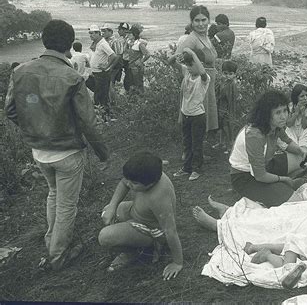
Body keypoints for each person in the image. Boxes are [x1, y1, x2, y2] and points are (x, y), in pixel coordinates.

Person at [5, 19, 109, 270]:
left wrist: (35, 128)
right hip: (67, 152)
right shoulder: (72, 76)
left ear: (44, 41)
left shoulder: (20, 71)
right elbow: (88, 123)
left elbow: (10, 110)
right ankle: (58, 256)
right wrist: (103, 154)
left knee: (53, 195)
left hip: (39, 152)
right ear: (68, 46)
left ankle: (52, 243)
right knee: (66, 204)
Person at [98, 151, 183, 280]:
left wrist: (177, 263)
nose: (129, 185)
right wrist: (112, 206)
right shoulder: (147, 174)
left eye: (134, 184)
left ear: (151, 184)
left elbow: (170, 231)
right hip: (137, 211)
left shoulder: (158, 197)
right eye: (130, 181)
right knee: (106, 211)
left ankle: (138, 251)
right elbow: (123, 183)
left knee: (105, 237)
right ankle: (132, 241)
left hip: (150, 229)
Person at [228, 90, 307, 207]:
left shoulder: (275, 125)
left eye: (285, 111)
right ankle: (236, 208)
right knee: (296, 202)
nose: (283, 117)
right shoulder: (254, 135)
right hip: (245, 177)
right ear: (267, 114)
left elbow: (287, 141)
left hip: (265, 165)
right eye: (278, 113)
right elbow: (260, 175)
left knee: (303, 160)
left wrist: (301, 151)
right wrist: (282, 179)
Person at [169, 48, 210, 181]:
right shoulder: (186, 72)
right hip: (186, 114)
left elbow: (202, 71)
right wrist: (179, 53)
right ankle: (186, 168)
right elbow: (170, 62)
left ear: (198, 64)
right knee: (187, 143)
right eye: (188, 65)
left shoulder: (204, 78)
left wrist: (192, 54)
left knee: (196, 144)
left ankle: (196, 169)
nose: (189, 68)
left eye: (192, 65)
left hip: (198, 116)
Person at [177, 5, 219, 132]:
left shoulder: (205, 37)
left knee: (203, 121)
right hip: (198, 85)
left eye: (203, 20)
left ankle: (201, 147)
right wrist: (191, 72)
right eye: (197, 20)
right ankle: (191, 150)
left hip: (207, 84)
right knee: (196, 122)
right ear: (192, 22)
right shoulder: (192, 38)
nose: (201, 24)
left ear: (208, 20)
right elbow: (177, 58)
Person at [88, 24, 119, 119]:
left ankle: (105, 116)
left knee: (101, 96)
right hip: (96, 73)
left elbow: (113, 56)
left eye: (93, 33)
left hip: (102, 74)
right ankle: (103, 115)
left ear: (98, 33)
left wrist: (107, 66)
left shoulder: (103, 44)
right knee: (99, 94)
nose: (91, 35)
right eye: (90, 33)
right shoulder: (98, 43)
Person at [278, 84, 307, 154]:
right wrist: (296, 113)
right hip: (291, 130)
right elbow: (289, 124)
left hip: (303, 131)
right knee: (293, 149)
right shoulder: (290, 107)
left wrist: (303, 113)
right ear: (296, 98)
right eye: (302, 96)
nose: (305, 98)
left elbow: (304, 125)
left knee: (304, 149)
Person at [214, 60, 239, 154]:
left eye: (230, 74)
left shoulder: (232, 84)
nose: (227, 76)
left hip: (228, 110)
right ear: (222, 73)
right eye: (225, 73)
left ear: (234, 75)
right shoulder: (222, 82)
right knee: (221, 127)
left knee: (227, 127)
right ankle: (221, 143)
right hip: (220, 108)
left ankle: (230, 145)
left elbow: (231, 97)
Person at [127, 26, 150, 94]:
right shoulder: (130, 42)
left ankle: (141, 100)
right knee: (132, 84)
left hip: (137, 68)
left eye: (130, 33)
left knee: (139, 85)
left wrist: (141, 61)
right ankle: (136, 100)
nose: (128, 35)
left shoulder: (139, 44)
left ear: (134, 34)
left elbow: (148, 54)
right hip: (131, 66)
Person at [117, 22, 132, 92]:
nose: (118, 31)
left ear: (124, 30)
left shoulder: (129, 39)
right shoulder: (124, 39)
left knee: (128, 79)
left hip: (129, 61)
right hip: (125, 60)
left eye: (119, 29)